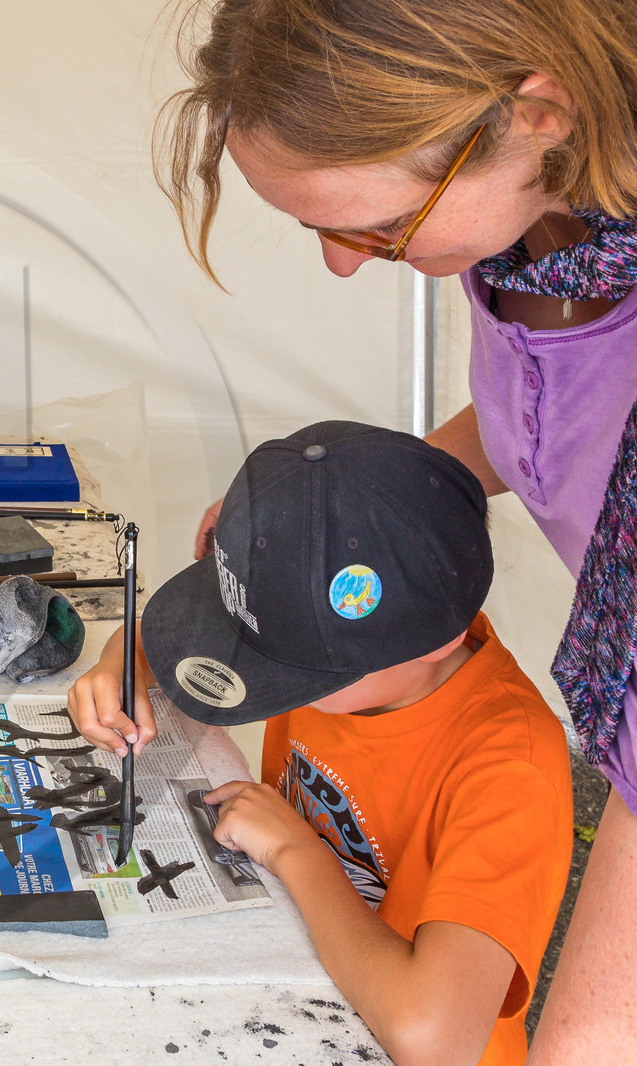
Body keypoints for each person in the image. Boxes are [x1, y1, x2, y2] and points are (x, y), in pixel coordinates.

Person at [156, 3, 637, 1055]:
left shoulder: (498, 756)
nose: (345, 266)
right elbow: (538, 424)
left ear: (539, 115)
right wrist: (324, 526)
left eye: (380, 229)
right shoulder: (537, 226)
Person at [68, 422, 572, 1066]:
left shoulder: (512, 768)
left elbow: (434, 1040)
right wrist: (123, 661)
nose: (264, 674)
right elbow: (172, 633)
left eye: (289, 667)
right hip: (296, 980)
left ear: (435, 642)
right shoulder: (356, 641)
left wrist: (295, 851)